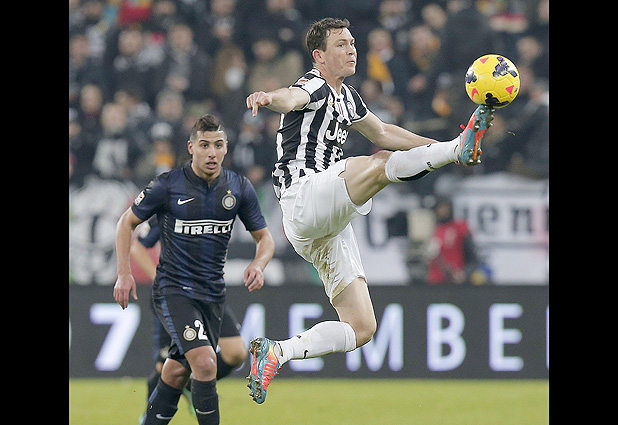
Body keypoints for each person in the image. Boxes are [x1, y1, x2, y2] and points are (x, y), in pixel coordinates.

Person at [244, 17, 494, 404]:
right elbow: (289, 98)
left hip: (324, 224)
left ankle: (277, 351)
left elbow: (385, 132)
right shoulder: (312, 84)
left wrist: (442, 146)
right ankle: (454, 150)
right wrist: (266, 97)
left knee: (362, 327)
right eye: (341, 44)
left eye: (352, 43)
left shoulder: (348, 97)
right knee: (378, 164)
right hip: (303, 197)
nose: (351, 50)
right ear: (319, 56)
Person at [113, 114, 275, 425]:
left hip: (212, 294)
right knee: (205, 362)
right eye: (204, 145)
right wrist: (124, 273)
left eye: (218, 145)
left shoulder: (238, 188)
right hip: (173, 291)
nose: (211, 152)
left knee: (177, 371)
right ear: (191, 148)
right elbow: (126, 224)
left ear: (226, 147)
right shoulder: (167, 186)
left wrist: (258, 263)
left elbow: (265, 238)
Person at [130, 217, 249, 423]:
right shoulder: (170, 203)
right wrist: (160, 281)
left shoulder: (219, 205)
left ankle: (192, 385)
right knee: (165, 367)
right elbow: (137, 247)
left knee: (236, 353)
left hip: (208, 294)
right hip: (174, 296)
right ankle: (149, 417)